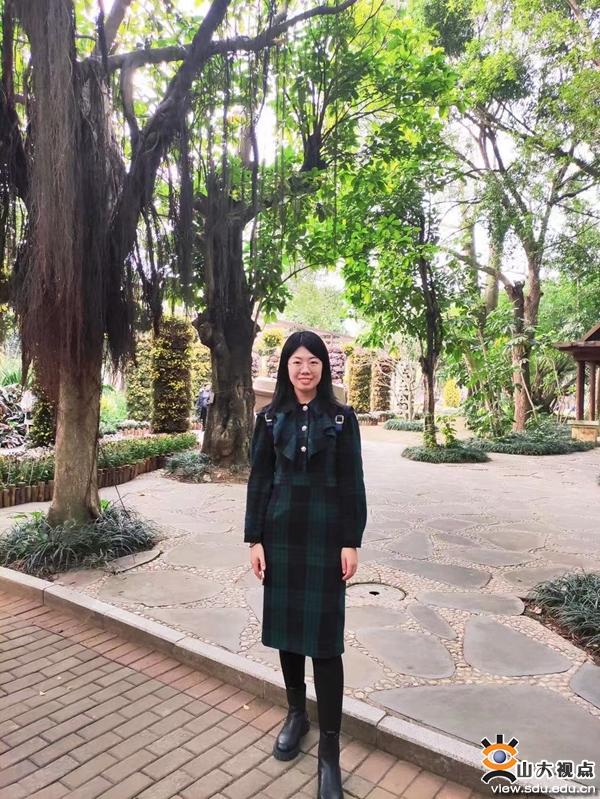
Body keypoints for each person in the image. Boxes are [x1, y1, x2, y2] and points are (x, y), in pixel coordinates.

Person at [244, 331, 367, 799]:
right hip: (280, 537)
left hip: (325, 536)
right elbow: (260, 478)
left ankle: (329, 750)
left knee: (325, 643)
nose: (305, 369)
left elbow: (352, 480)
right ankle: (296, 714)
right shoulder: (268, 417)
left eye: (313, 361)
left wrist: (350, 540)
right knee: (288, 632)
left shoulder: (341, 418)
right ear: (286, 367)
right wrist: (255, 538)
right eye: (296, 361)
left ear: (323, 368)